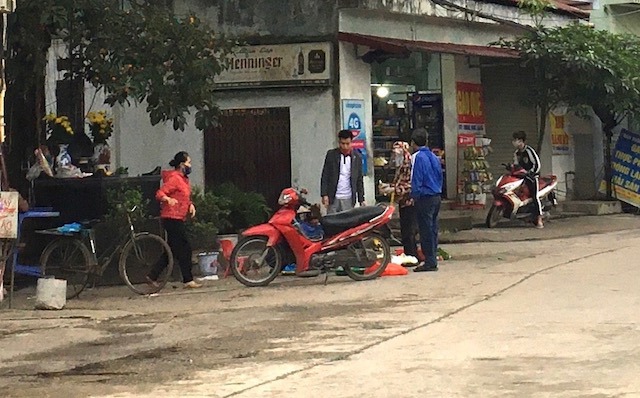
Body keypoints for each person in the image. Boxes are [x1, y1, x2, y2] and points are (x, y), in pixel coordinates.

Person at [148, 151, 202, 289]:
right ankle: (187, 279)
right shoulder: (175, 178)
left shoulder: (183, 179)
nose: (190, 165)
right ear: (182, 165)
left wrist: (190, 205)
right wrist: (168, 199)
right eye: (189, 162)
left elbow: (184, 196)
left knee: (171, 250)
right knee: (185, 248)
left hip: (178, 216)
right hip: (171, 217)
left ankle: (153, 275)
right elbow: (160, 193)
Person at [410, 128, 443, 272]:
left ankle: (429, 260)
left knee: (425, 230)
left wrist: (414, 195)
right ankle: (432, 257)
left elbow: (416, 179)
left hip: (425, 197)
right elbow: (440, 176)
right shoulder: (434, 157)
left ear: (413, 143)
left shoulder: (418, 157)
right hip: (436, 195)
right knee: (433, 228)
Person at [386, 141, 419, 261]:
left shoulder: (409, 165)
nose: (395, 157)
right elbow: (398, 182)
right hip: (403, 201)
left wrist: (393, 189)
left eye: (398, 154)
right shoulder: (400, 166)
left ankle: (412, 256)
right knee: (405, 229)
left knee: (409, 230)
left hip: (410, 201)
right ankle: (409, 254)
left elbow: (409, 185)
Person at [321, 129, 365, 214]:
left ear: (351, 142)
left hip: (348, 198)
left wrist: (361, 199)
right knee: (332, 222)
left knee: (348, 224)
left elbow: (359, 179)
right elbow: (325, 175)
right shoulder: (331, 155)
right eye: (342, 143)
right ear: (339, 142)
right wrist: (324, 194)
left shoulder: (357, 158)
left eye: (347, 144)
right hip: (333, 197)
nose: (345, 147)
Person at [512, 130, 543, 229]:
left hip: (532, 178)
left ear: (521, 141)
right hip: (522, 178)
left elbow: (537, 164)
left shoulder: (529, 151)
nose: (514, 142)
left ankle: (539, 219)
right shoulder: (517, 153)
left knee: (534, 197)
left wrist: (531, 173)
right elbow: (516, 165)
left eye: (515, 140)